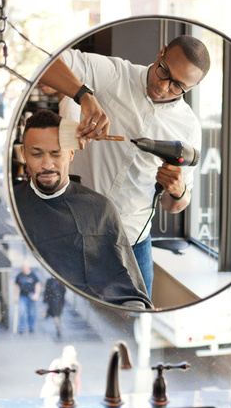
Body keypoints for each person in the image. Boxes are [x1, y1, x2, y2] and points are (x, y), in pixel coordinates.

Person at [39, 35, 211, 295]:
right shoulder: (115, 75)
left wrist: (177, 190)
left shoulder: (188, 128)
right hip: (76, 234)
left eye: (178, 86)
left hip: (133, 244)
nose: (164, 87)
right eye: (164, 71)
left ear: (193, 87)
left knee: (134, 327)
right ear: (160, 53)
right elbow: (46, 64)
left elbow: (174, 206)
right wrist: (84, 96)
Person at [14, 110, 152, 310]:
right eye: (36, 154)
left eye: (56, 153)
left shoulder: (100, 210)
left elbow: (130, 291)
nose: (47, 164)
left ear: (71, 153)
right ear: (24, 155)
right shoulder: (12, 204)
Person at [14, 261, 41, 334]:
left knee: (31, 312)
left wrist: (37, 294)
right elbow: (16, 286)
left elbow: (37, 285)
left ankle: (31, 327)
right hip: (23, 296)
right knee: (22, 311)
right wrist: (16, 296)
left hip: (31, 296)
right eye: (23, 268)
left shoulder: (33, 276)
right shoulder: (19, 276)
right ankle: (22, 328)